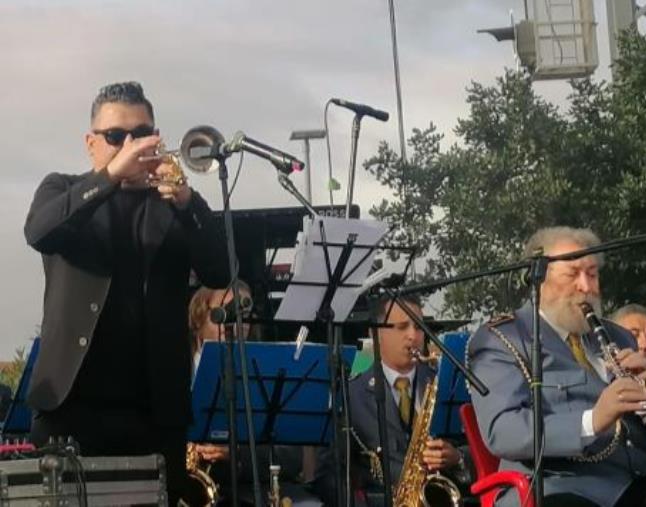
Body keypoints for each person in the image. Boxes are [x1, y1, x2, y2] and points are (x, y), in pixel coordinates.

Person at [23, 81, 230, 504]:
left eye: (141, 134)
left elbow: (221, 270)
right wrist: (112, 176)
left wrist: (188, 202)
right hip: (73, 405)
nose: (130, 145)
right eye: (116, 136)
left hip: (154, 407)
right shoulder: (63, 188)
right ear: (91, 144)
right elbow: (39, 232)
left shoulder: (175, 204)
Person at [466, 227, 646, 507]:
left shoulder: (617, 335)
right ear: (537, 279)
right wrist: (593, 419)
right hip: (561, 487)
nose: (587, 287)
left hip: (639, 482)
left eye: (592, 274)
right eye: (573, 274)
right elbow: (503, 431)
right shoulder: (503, 338)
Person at [315, 294, 470, 506]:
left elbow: (480, 450)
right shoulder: (351, 394)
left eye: (419, 327)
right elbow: (329, 473)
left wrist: (458, 458)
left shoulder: (446, 384)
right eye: (402, 327)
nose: (413, 336)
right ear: (375, 334)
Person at [186, 282, 324, 507]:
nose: (235, 323)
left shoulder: (266, 373)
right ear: (198, 318)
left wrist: (237, 454)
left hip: (250, 490)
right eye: (224, 312)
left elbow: (291, 457)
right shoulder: (174, 374)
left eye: (243, 315)